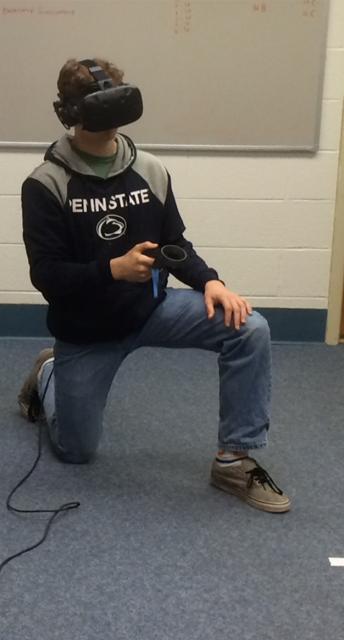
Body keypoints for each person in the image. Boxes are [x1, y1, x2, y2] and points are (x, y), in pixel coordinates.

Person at [16, 57, 289, 513]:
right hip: (87, 330)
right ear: (71, 112)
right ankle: (48, 374)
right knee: (76, 452)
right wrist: (112, 270)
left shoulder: (151, 170)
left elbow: (174, 243)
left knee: (249, 328)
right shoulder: (46, 183)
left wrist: (211, 283)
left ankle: (233, 459)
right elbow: (46, 276)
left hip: (152, 310)